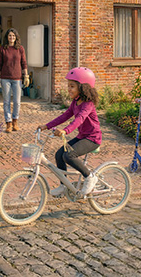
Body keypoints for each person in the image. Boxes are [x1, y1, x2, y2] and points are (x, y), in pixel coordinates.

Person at [39, 67, 102, 197]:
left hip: (92, 138)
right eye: (68, 86)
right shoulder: (75, 102)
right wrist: (47, 125)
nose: (69, 89)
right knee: (59, 154)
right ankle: (63, 186)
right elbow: (65, 116)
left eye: (72, 86)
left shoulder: (88, 104)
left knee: (69, 156)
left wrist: (65, 131)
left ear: (83, 87)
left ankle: (90, 177)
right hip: (82, 136)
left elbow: (80, 119)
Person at [0, 28, 28, 132]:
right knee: (6, 101)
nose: (11, 38)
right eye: (9, 36)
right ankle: (8, 123)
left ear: (16, 37)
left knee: (17, 102)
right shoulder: (3, 49)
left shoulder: (20, 49)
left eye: (13, 36)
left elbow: (24, 63)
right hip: (5, 79)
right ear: (7, 37)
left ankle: (15, 122)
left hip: (17, 78)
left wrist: (26, 76)